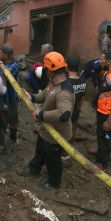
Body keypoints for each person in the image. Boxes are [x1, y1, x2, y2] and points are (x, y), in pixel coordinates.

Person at [17, 52, 74, 191]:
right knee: (41, 150)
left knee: (53, 159)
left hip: (56, 134)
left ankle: (54, 182)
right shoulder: (53, 82)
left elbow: (64, 114)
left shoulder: (64, 91)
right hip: (46, 130)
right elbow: (46, 95)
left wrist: (40, 114)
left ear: (50, 70)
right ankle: (34, 167)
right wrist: (32, 97)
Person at [90, 51, 111, 171]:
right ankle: (100, 152)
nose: (100, 62)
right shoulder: (107, 73)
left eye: (102, 60)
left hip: (108, 114)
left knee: (106, 136)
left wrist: (109, 121)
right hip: (102, 111)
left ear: (108, 62)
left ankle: (102, 163)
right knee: (100, 133)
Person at [0, 44, 20, 147]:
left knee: (12, 119)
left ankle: (13, 136)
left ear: (6, 55)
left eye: (0, 53)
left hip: (10, 98)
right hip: (0, 96)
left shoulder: (14, 66)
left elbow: (5, 75)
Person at [62, 56, 86, 161]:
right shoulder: (83, 81)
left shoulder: (65, 83)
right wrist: (79, 109)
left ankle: (63, 152)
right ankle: (68, 151)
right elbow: (83, 98)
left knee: (63, 132)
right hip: (75, 110)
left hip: (65, 111)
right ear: (79, 67)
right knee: (73, 130)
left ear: (66, 67)